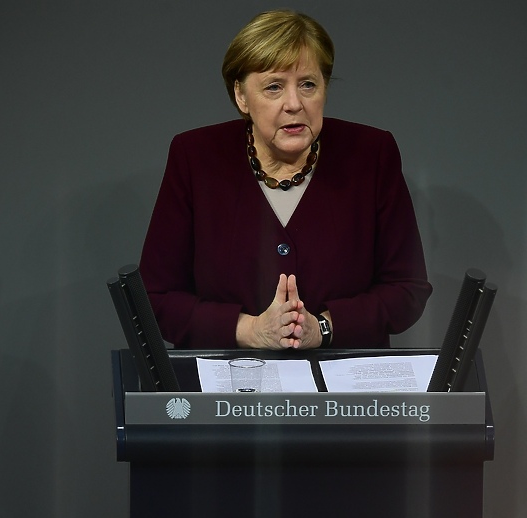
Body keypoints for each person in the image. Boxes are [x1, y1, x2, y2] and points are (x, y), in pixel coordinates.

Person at [140, 10, 432, 350]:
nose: (294, 104)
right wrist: (248, 330)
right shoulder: (195, 156)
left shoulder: (372, 153)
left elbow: (407, 289)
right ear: (241, 96)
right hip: (228, 388)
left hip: (343, 393)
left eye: (308, 84)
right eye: (274, 87)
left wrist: (321, 327)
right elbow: (154, 298)